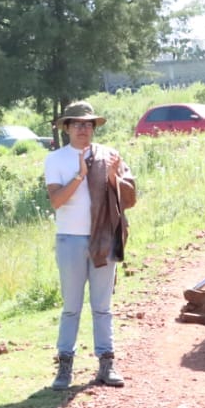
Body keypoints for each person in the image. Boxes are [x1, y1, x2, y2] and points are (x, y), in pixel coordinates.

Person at [45, 101, 137, 389]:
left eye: (88, 124)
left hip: (104, 237)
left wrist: (112, 175)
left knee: (102, 306)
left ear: (94, 128)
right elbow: (57, 201)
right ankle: (65, 367)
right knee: (71, 307)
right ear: (67, 128)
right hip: (70, 239)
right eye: (77, 124)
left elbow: (131, 198)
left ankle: (106, 364)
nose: (83, 129)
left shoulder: (110, 156)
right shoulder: (56, 159)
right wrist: (80, 175)